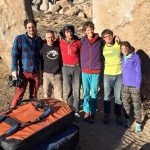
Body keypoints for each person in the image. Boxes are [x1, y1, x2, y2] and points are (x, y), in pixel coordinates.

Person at [11, 19, 43, 108]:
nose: (31, 29)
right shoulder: (20, 38)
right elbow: (14, 55)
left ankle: (31, 113)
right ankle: (11, 112)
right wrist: (14, 70)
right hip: (23, 73)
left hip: (36, 72)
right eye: (29, 27)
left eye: (33, 27)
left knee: (33, 96)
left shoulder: (39, 40)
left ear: (35, 27)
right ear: (26, 28)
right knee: (18, 95)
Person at [80, 21, 103, 122]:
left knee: (93, 92)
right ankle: (86, 111)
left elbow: (109, 41)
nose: (90, 31)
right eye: (88, 29)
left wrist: (116, 38)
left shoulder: (100, 40)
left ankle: (93, 112)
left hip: (95, 70)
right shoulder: (82, 41)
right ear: (85, 31)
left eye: (91, 28)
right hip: (85, 70)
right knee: (85, 92)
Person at [101, 29, 122, 125]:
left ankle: (118, 116)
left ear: (112, 36)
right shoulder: (102, 47)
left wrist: (119, 38)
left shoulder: (118, 45)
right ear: (103, 38)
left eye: (109, 35)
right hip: (107, 75)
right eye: (105, 36)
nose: (108, 38)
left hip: (119, 75)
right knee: (107, 96)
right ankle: (106, 115)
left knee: (118, 97)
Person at [59, 24, 81, 117]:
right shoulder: (60, 42)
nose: (70, 33)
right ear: (64, 33)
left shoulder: (78, 42)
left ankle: (76, 111)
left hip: (76, 67)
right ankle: (69, 108)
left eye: (71, 31)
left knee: (76, 90)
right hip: (65, 67)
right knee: (68, 90)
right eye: (67, 32)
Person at [121, 41, 142, 132]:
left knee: (137, 104)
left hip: (134, 85)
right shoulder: (122, 58)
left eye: (126, 48)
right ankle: (127, 119)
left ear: (129, 48)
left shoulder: (135, 57)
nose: (124, 50)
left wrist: (138, 84)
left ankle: (138, 123)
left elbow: (138, 71)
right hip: (125, 85)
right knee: (125, 103)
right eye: (122, 48)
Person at [40, 30, 63, 100]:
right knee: (47, 95)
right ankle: (48, 110)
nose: (50, 39)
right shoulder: (43, 47)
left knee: (59, 96)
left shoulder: (58, 46)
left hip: (57, 75)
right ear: (45, 38)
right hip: (46, 75)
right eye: (48, 37)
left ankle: (59, 110)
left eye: (52, 37)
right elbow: (39, 59)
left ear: (54, 37)